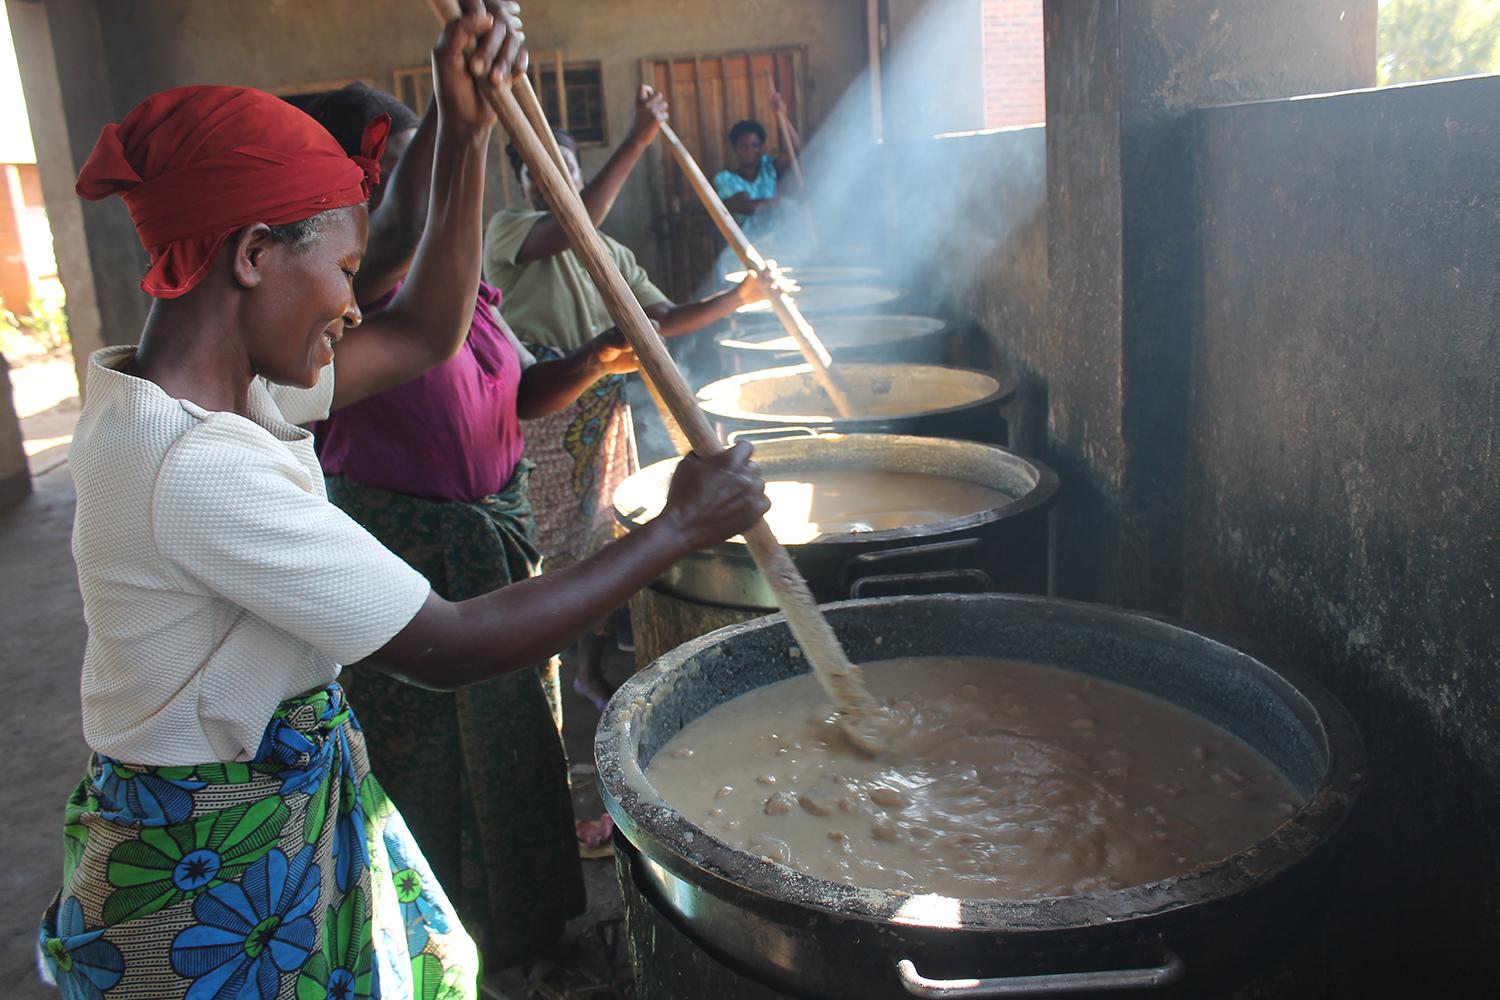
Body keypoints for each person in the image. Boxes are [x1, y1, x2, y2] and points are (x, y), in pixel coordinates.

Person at [36, 5, 769, 999]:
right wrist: (679, 528)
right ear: (253, 255)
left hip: (260, 813)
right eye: (342, 271)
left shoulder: (194, 394)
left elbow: (427, 327)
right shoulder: (198, 465)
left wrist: (465, 129)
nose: (353, 302)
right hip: (217, 870)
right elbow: (449, 643)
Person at [293, 80, 642, 970]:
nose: (438, 172)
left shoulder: (462, 290)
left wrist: (599, 356)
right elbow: (411, 230)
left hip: (496, 537)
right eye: (411, 158)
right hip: (417, 553)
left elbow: (522, 392)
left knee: (522, 738)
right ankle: (456, 949)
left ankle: (532, 930)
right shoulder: (352, 299)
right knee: (446, 763)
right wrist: (464, 114)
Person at [483, 86, 770, 707]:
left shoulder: (610, 252)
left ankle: (588, 665)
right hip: (543, 408)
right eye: (537, 171)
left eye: (565, 167)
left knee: (602, 538)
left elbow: (660, 318)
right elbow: (568, 224)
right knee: (549, 544)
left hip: (601, 415)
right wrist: (638, 138)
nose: (553, 180)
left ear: (579, 172)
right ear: (522, 184)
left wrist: (737, 300)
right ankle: (538, 664)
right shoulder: (510, 232)